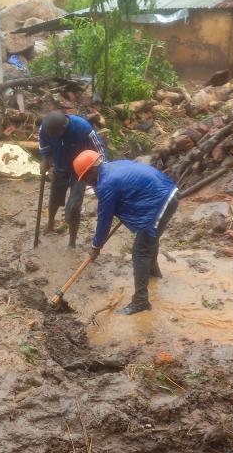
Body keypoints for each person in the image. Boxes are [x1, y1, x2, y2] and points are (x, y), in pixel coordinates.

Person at [75, 150, 179, 316]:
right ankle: (153, 272)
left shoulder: (106, 184)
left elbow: (104, 219)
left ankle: (141, 301)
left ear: (92, 171)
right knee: (150, 238)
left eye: (86, 178)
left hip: (159, 200)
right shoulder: (112, 167)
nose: (88, 183)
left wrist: (96, 245)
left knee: (140, 251)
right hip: (167, 193)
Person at [38, 110, 107, 249]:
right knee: (54, 198)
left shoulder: (83, 128)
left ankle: (72, 243)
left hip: (80, 171)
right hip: (60, 166)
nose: (51, 136)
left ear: (63, 129)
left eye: (54, 134)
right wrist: (45, 158)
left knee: (74, 206)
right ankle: (50, 224)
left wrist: (102, 170)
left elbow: (99, 149)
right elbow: (43, 144)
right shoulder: (45, 128)